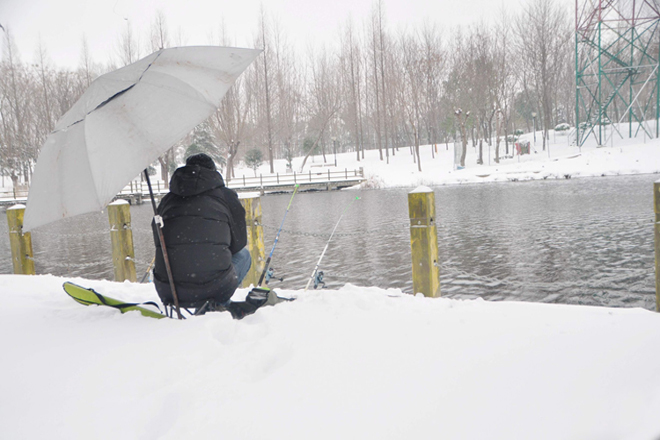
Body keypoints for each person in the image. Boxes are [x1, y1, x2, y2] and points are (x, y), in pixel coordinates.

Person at [152, 153, 251, 312]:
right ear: (213, 171)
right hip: (214, 288)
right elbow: (239, 242)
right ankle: (220, 304)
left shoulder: (167, 200)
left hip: (169, 289)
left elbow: (158, 239)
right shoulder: (226, 196)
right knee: (244, 255)